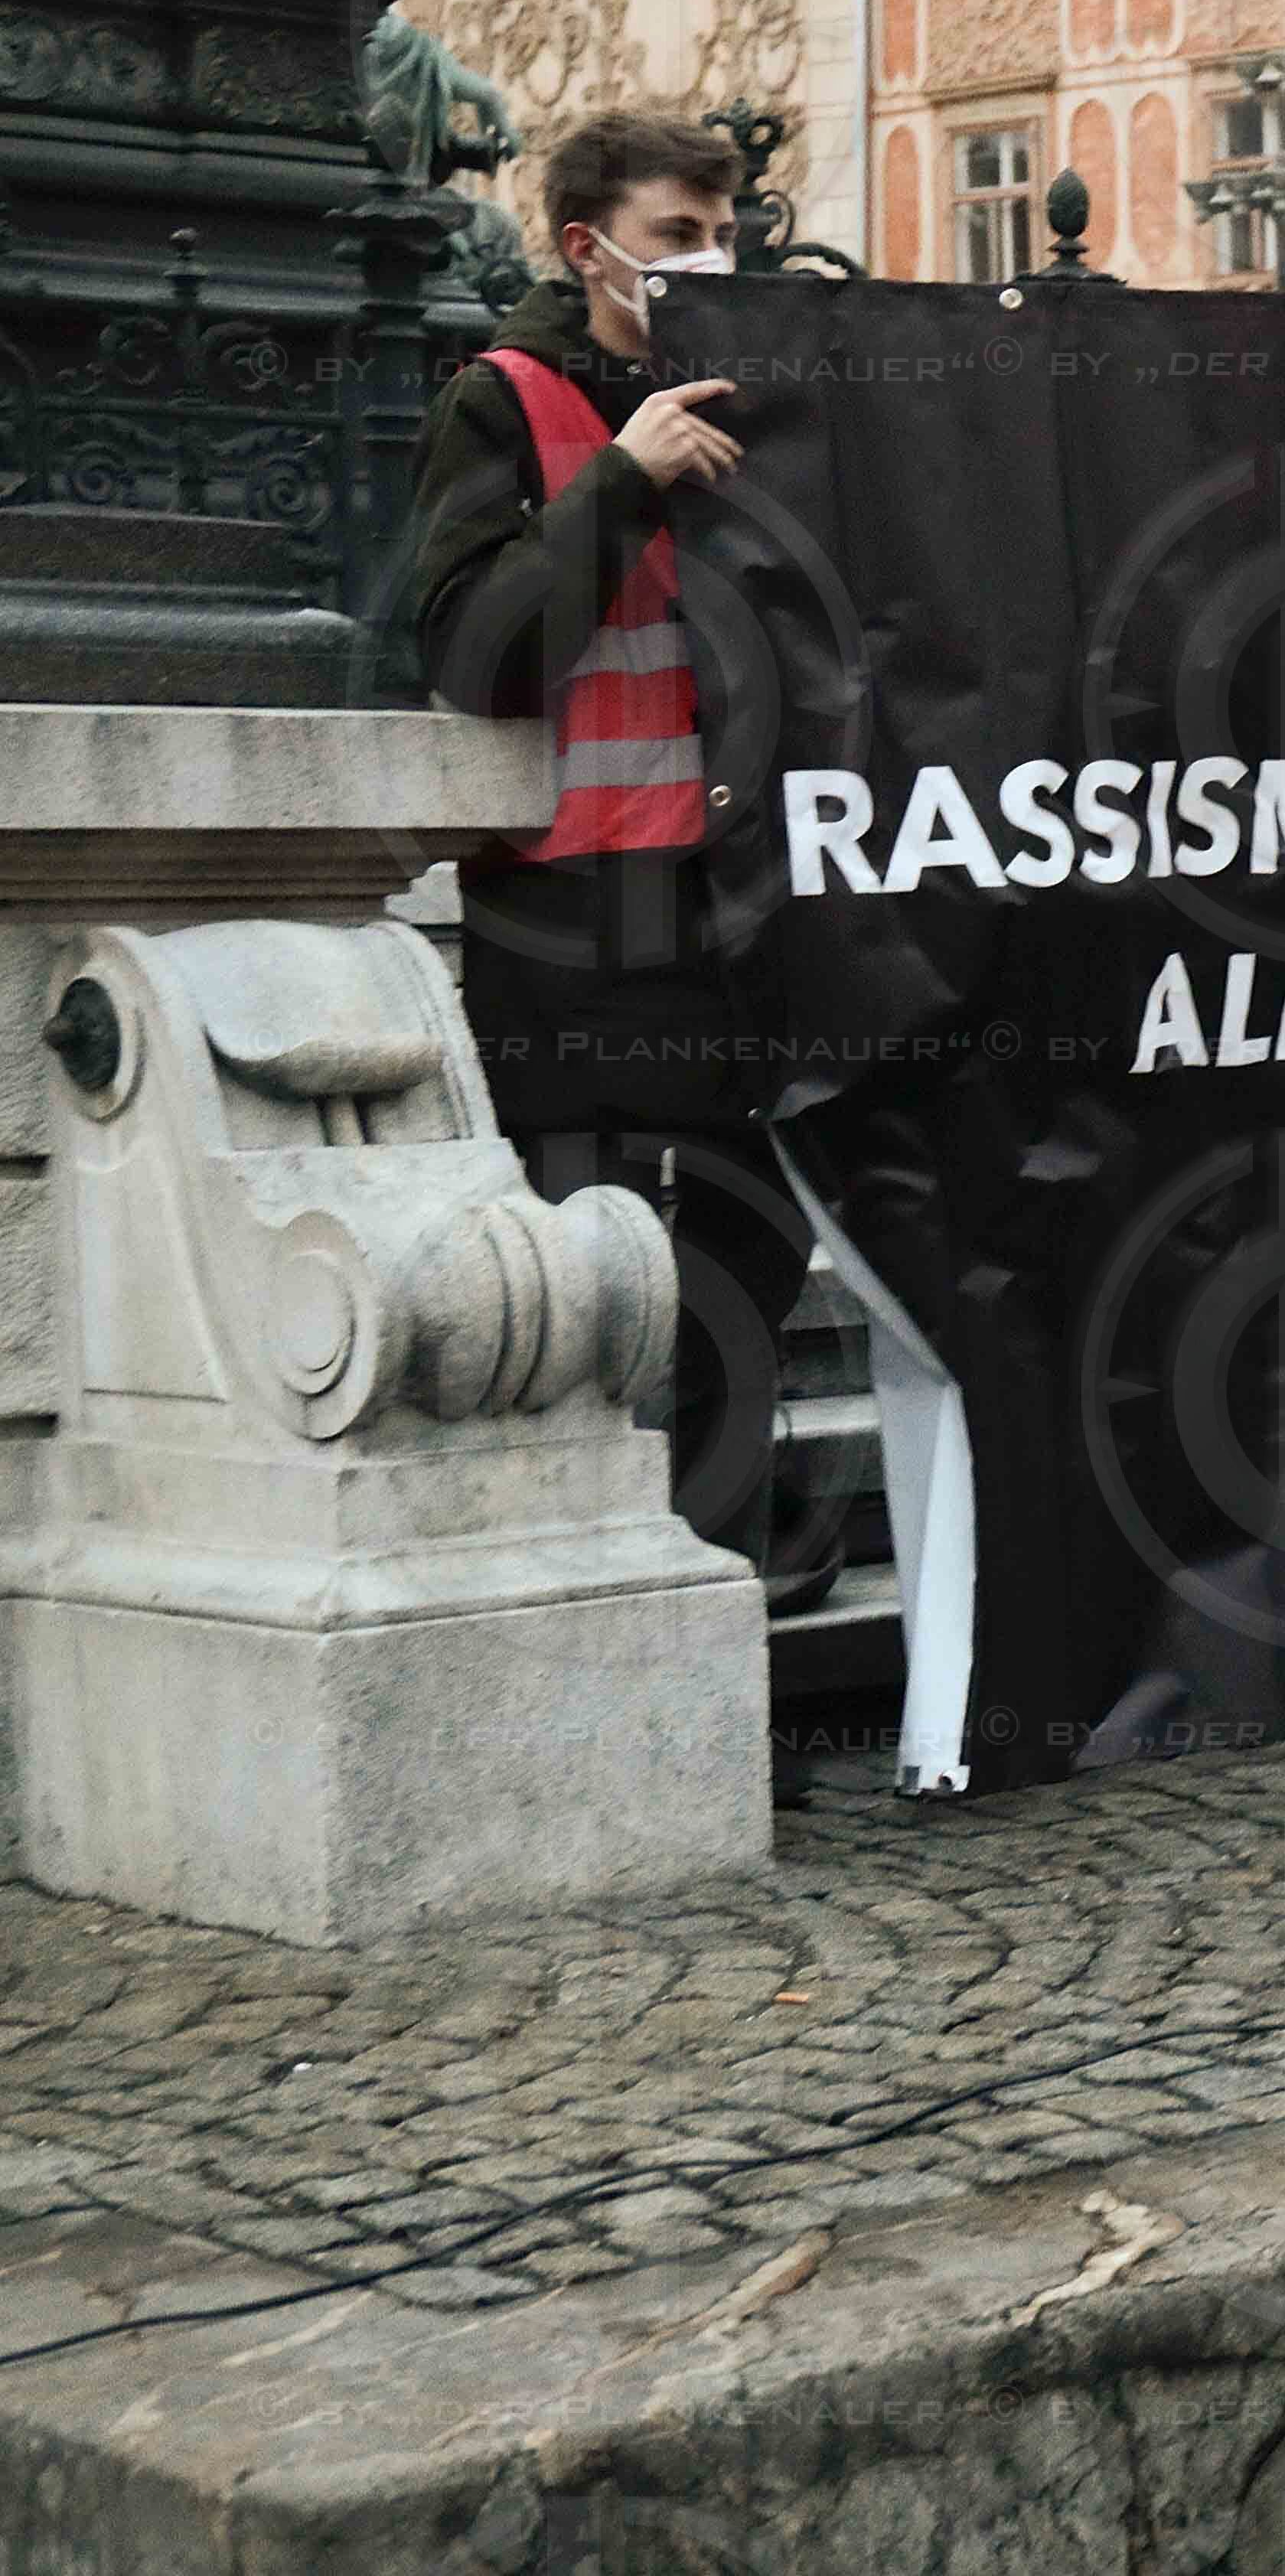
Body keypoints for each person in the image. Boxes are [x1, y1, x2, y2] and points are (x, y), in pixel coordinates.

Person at [411, 111, 816, 1606]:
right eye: (673, 238)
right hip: (565, 918)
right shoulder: (500, 402)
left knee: (746, 1278)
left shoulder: (770, 390)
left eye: (724, 234)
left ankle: (721, 1603)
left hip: (736, 917)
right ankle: (566, 1600)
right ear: (588, 248)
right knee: (568, 1297)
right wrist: (621, 480)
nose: (708, 263)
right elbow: (475, 656)